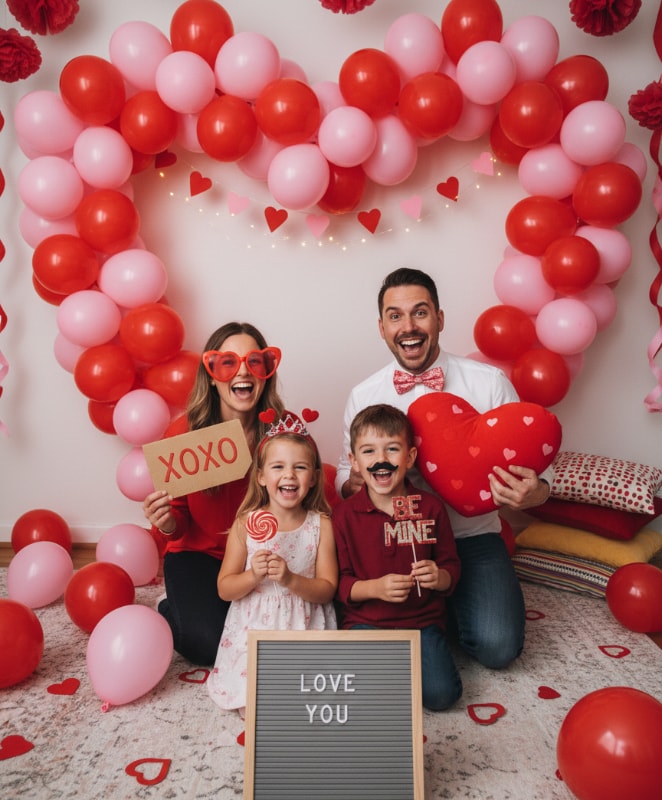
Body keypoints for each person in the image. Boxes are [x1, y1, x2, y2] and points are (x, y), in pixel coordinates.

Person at [336, 267, 553, 670]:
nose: (408, 326)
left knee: (498, 648)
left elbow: (540, 474)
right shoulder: (364, 395)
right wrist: (361, 481)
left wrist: (533, 491)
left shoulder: (489, 384)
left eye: (420, 312)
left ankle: (444, 613)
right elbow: (342, 475)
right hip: (394, 543)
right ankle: (432, 618)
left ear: (439, 318)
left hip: (471, 538)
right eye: (395, 316)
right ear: (382, 327)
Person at [143, 322, 285, 666]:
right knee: (210, 646)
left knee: (285, 636)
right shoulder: (184, 433)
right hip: (200, 556)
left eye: (253, 362)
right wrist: (164, 522)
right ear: (211, 375)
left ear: (265, 373)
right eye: (227, 363)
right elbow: (177, 524)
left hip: (264, 555)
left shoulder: (283, 429)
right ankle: (171, 606)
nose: (242, 372)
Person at [333, 404, 462, 711]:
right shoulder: (343, 517)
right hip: (365, 623)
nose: (381, 460)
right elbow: (339, 583)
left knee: (442, 696)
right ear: (353, 461)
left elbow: (451, 566)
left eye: (392, 449)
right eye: (368, 451)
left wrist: (439, 576)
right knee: (362, 696)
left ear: (410, 457)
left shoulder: (429, 508)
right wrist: (374, 588)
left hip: (422, 623)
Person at [207, 411, 338, 714]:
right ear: (262, 477)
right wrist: (253, 575)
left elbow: (327, 589)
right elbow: (225, 589)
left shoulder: (321, 525)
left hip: (304, 624)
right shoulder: (246, 524)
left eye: (300, 467)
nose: (289, 475)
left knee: (310, 698)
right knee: (256, 702)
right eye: (278, 466)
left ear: (314, 477)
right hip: (256, 628)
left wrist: (291, 579)